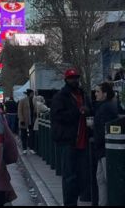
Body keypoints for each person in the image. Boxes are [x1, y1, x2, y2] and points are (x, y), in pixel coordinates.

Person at [51, 67, 92, 206]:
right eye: (71, 78)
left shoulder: (83, 95)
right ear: (66, 80)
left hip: (83, 139)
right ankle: (70, 203)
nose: (75, 80)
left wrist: (87, 111)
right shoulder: (60, 97)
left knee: (82, 175)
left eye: (76, 78)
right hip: (69, 141)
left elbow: (90, 109)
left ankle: (80, 198)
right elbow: (57, 116)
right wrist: (77, 112)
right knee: (69, 176)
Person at [92, 82, 119, 206]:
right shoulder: (104, 106)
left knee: (106, 179)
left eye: (98, 91)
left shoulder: (106, 107)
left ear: (105, 94)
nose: (95, 94)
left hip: (105, 148)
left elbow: (105, 128)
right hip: (102, 148)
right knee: (101, 178)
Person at [17, 89, 36, 154]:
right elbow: (19, 111)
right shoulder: (22, 101)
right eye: (32, 93)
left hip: (31, 120)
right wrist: (21, 119)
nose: (33, 95)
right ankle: (24, 148)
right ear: (30, 94)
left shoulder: (34, 101)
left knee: (31, 135)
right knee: (23, 135)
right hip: (24, 120)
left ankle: (31, 148)